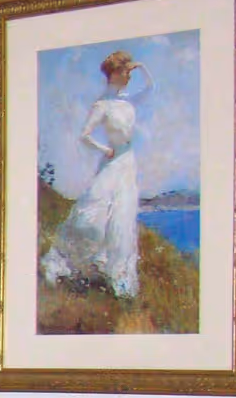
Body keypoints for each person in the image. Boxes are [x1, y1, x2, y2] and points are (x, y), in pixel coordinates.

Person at [40, 50, 152, 300]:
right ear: (115, 73)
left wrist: (141, 67)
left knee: (122, 219)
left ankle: (119, 279)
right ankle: (62, 262)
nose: (129, 76)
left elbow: (149, 88)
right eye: (126, 72)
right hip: (112, 161)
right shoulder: (103, 105)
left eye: (130, 72)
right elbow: (85, 135)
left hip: (128, 164)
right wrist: (105, 150)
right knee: (91, 218)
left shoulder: (128, 101)